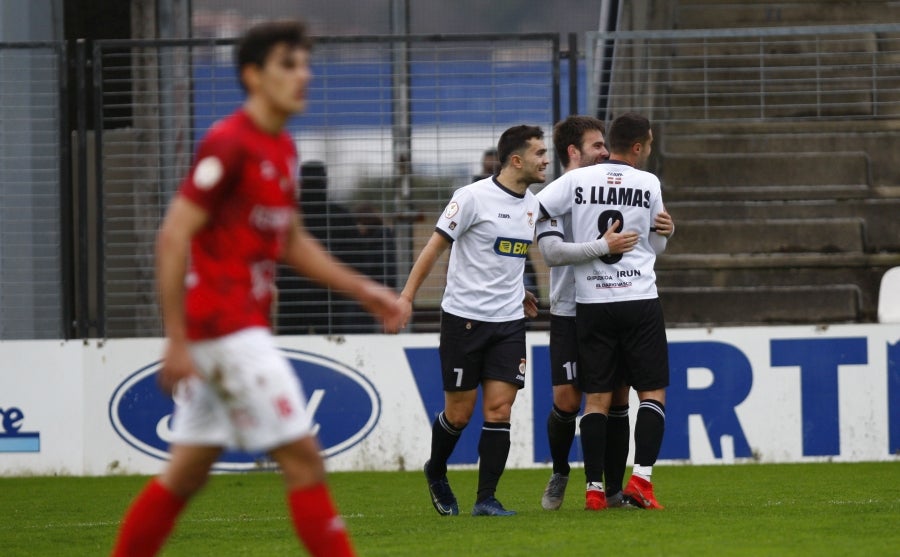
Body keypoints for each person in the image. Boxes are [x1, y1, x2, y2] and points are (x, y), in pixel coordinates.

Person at [110, 20, 403, 557]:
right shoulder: (229, 143)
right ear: (253, 75)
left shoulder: (282, 148)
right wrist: (175, 337)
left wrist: (365, 289)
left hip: (228, 333)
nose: (304, 76)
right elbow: (173, 236)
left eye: (305, 64)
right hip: (225, 331)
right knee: (304, 461)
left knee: (186, 475)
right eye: (288, 65)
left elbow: (291, 241)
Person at [392, 125, 547, 517]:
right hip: (464, 321)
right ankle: (437, 469)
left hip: (509, 322)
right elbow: (433, 248)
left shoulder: (532, 204)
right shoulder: (472, 197)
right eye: (539, 153)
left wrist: (520, 290)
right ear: (516, 160)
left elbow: (507, 256)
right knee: (459, 414)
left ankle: (486, 499)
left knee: (499, 410)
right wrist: (407, 296)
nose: (546, 160)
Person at [536, 112, 673, 511]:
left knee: (597, 399)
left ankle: (596, 489)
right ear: (638, 145)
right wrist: (665, 231)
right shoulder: (648, 183)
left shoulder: (574, 183)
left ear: (608, 143)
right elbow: (656, 248)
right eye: (648, 143)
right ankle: (640, 481)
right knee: (649, 391)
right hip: (637, 298)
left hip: (591, 301)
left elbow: (533, 209)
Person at [275, 160, 357, 335]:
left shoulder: (287, 215)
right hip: (329, 296)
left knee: (292, 347)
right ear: (325, 182)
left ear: (301, 183)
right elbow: (355, 258)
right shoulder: (340, 216)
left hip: (294, 297)